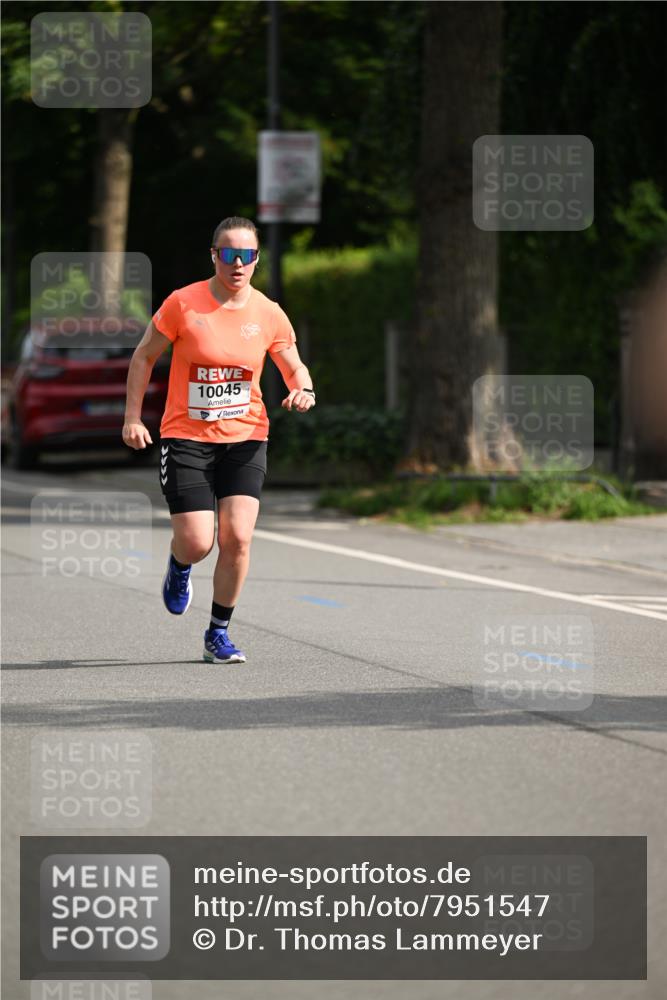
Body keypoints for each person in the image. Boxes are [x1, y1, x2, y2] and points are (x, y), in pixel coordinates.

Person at [122, 216, 315, 664]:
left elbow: (293, 365)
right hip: (186, 435)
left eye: (247, 256)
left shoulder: (268, 311)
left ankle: (218, 633)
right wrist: (132, 418)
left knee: (238, 538)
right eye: (229, 254)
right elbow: (144, 356)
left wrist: (302, 389)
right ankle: (180, 564)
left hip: (246, 436)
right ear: (214, 256)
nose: (238, 264)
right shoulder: (183, 303)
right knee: (197, 541)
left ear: (256, 260)